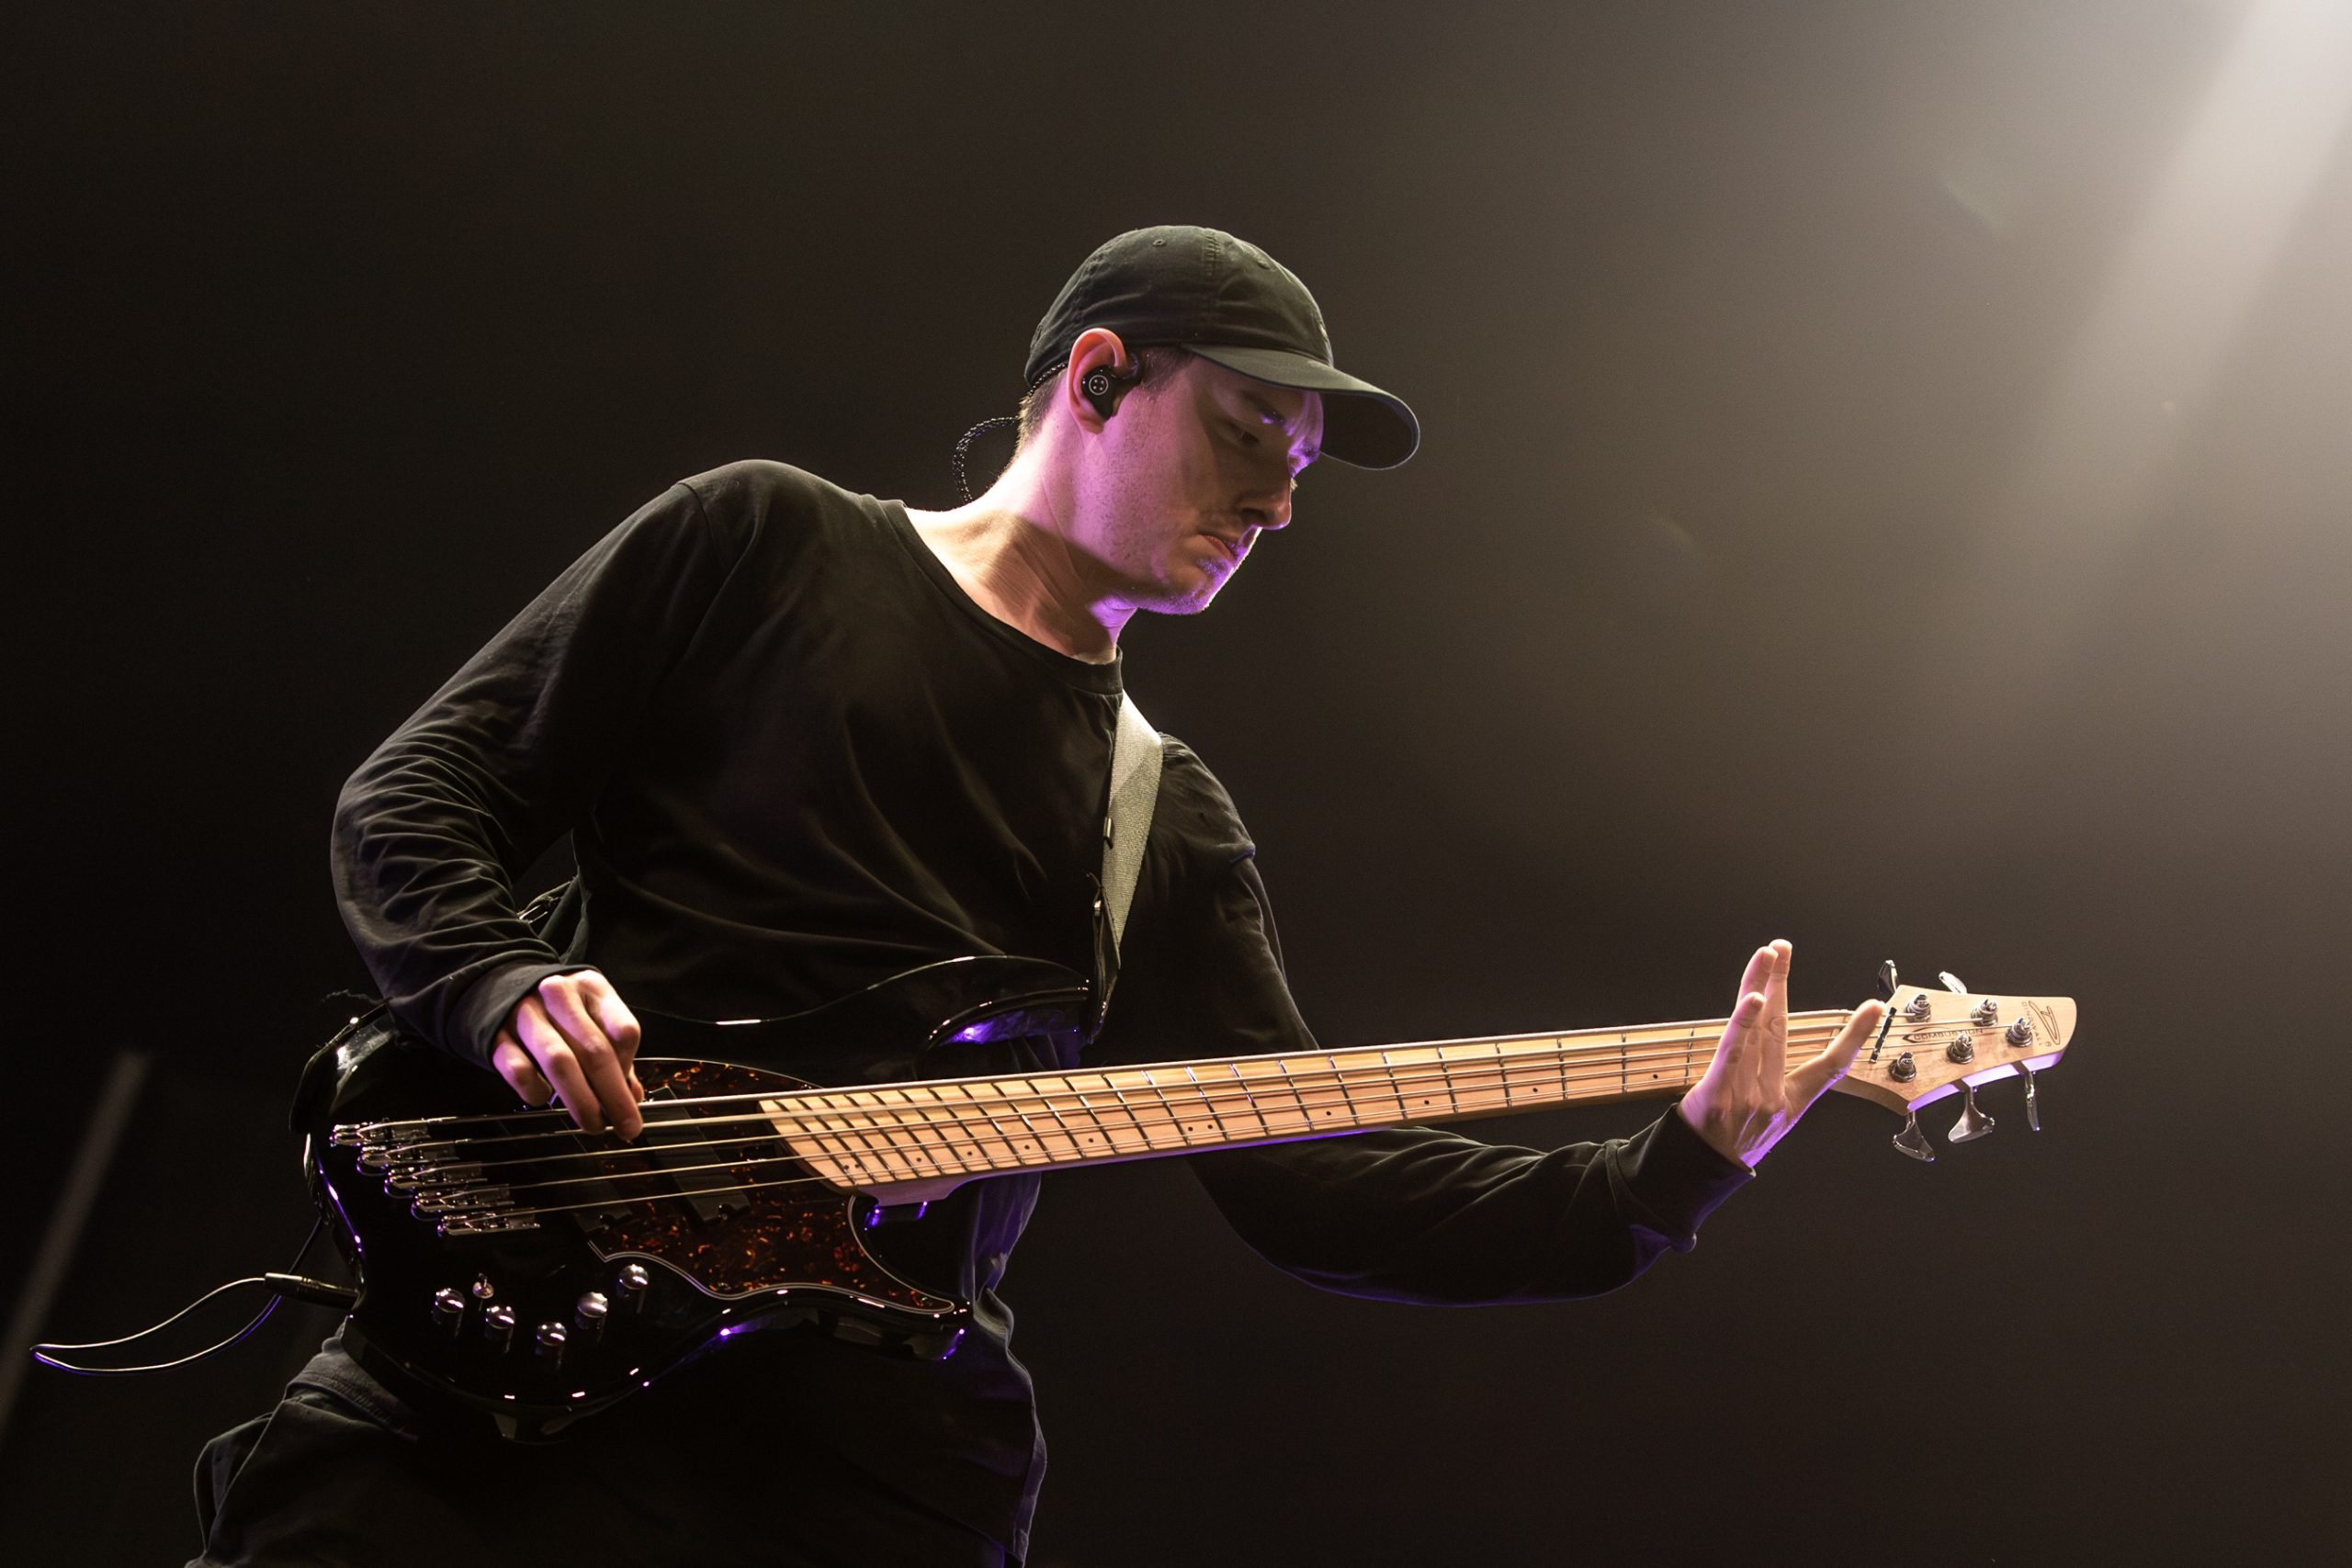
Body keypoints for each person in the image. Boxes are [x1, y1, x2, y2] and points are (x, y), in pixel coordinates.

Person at [187, 225, 1883, 1568]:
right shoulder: (765, 545)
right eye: (1249, 432)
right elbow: (418, 797)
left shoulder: (1165, 820)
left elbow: (1319, 1188)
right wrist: (496, 982)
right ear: (1097, 375)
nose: (1278, 500)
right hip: (502, 1363)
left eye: (1300, 467)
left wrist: (1674, 1166)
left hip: (848, 1471)